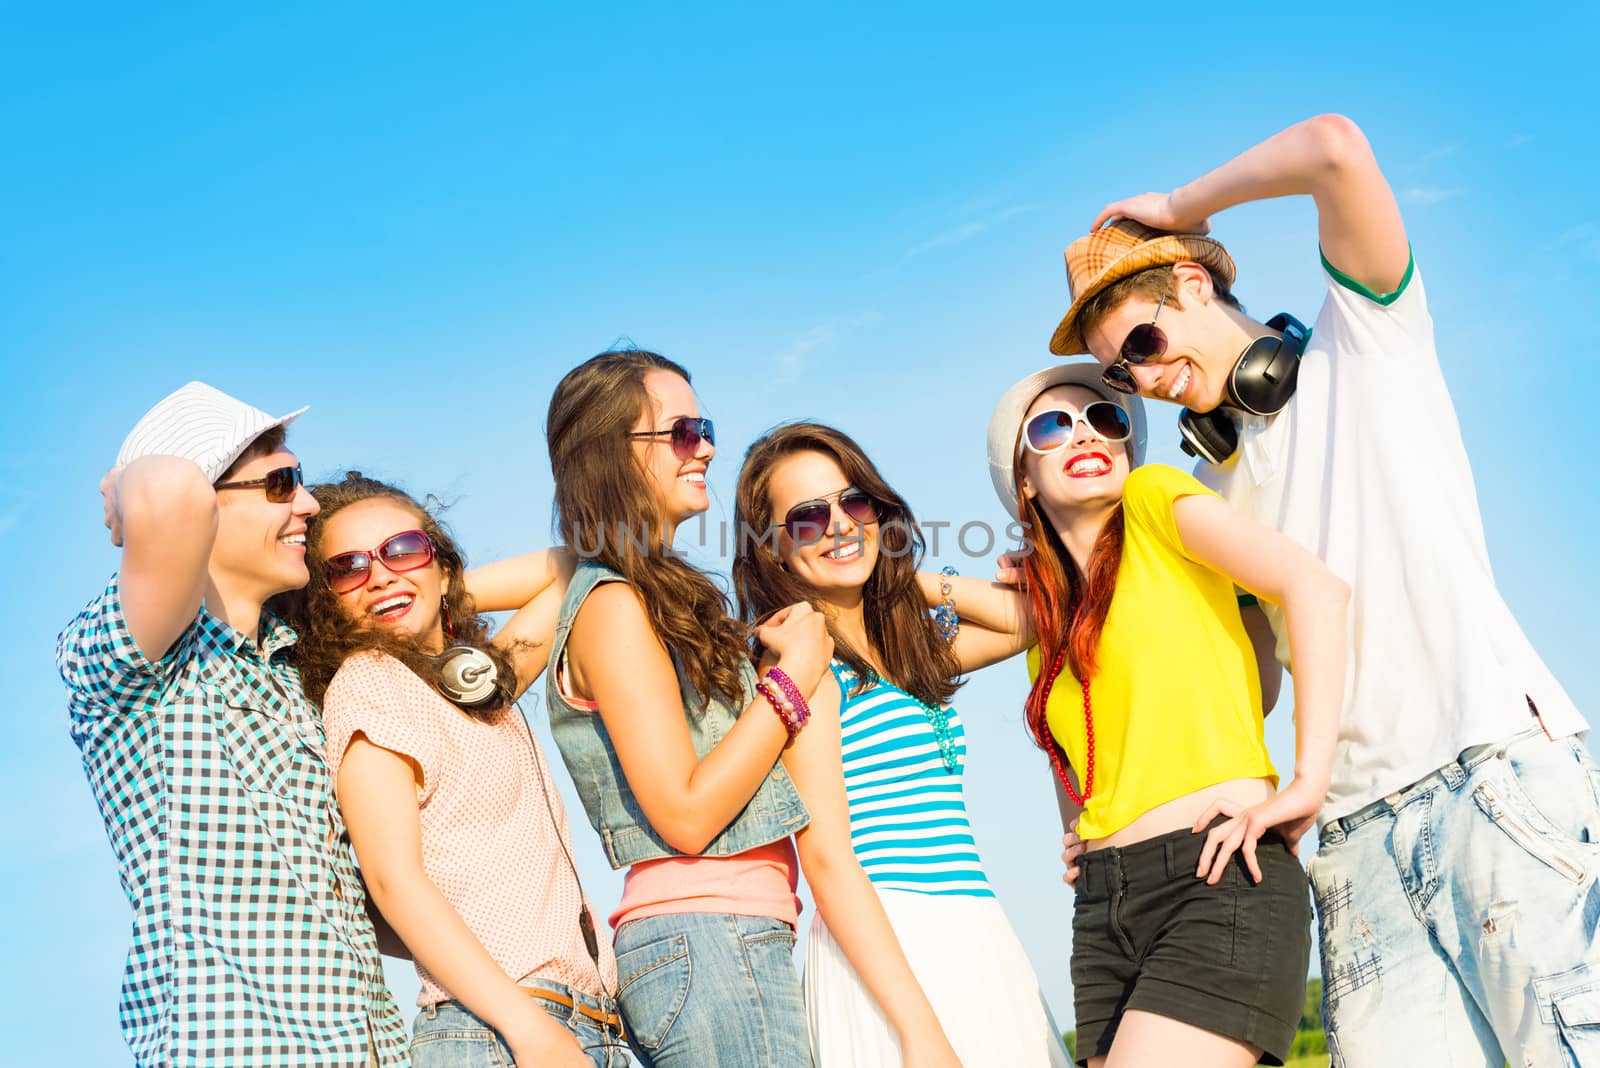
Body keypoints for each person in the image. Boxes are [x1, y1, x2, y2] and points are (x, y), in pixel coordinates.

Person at [1050, 113, 1597, 1065]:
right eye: (1122, 370)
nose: (1145, 375)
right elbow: (1252, 686)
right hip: (1342, 837)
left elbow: (1336, 147)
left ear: (1193, 281)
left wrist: (1181, 207)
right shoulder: (1210, 491)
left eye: (1145, 338)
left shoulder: (1366, 338)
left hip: (1486, 772)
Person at [548, 349, 967, 1068]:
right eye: (681, 431)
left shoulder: (649, 593)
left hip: (731, 935)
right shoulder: (613, 606)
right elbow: (685, 814)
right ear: (613, 453)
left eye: (702, 426)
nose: (705, 445)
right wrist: (792, 683)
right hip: (707, 936)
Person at [989, 362, 1350, 1066]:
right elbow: (1075, 756)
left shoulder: (1156, 500)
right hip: (1101, 911)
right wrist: (1083, 835)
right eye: (1052, 427)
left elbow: (1314, 587)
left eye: (1107, 419)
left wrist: (1309, 783)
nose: (1085, 434)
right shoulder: (1047, 625)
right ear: (1022, 479)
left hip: (1215, 874)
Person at [55, 382, 408, 1067]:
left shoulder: (291, 679)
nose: (307, 502)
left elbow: (346, 894)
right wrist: (129, 493)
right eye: (281, 481)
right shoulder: (133, 666)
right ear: (203, 510)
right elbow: (174, 494)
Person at [732, 421, 1071, 1067]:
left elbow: (1035, 620)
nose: (837, 524)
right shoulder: (809, 669)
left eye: (853, 502)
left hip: (975, 934)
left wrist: (899, 573)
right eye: (807, 517)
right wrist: (918, 1031)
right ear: (771, 548)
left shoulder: (905, 657)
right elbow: (828, 862)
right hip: (895, 951)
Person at [275, 472, 625, 1067]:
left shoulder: (475, 688)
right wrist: (528, 1030)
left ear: (442, 564)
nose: (381, 573)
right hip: (500, 1030)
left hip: (573, 1023)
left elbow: (572, 571)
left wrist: (439, 591)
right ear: (324, 600)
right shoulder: (371, 685)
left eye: (404, 550)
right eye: (349, 568)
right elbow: (393, 882)